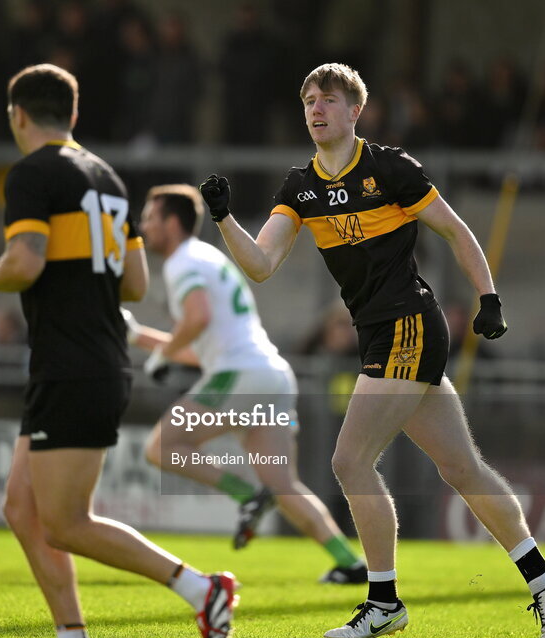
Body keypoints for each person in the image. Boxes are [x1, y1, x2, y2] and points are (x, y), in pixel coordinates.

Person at [198, 63, 545, 638]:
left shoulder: (390, 169)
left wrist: (489, 298)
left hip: (409, 325)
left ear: (355, 112)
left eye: (327, 100)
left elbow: (456, 230)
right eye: (308, 102)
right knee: (462, 469)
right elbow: (261, 265)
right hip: (380, 334)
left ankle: (383, 602)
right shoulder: (299, 188)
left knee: (349, 462)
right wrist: (224, 218)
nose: (315, 109)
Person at [0, 64, 237, 638]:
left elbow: (24, 262)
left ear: (17, 115)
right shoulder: (108, 178)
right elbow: (135, 284)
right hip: (83, 359)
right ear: (72, 114)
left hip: (72, 363)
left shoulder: (32, 173)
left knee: (65, 523)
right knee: (21, 507)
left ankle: (202, 590)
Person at [125, 184, 367, 583]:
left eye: (150, 218)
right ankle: (349, 562)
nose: (144, 226)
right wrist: (141, 337)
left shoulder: (181, 262)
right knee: (284, 485)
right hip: (270, 376)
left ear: (171, 222)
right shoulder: (205, 258)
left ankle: (246, 494)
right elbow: (200, 348)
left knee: (163, 446)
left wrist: (159, 357)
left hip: (242, 377)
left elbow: (197, 319)